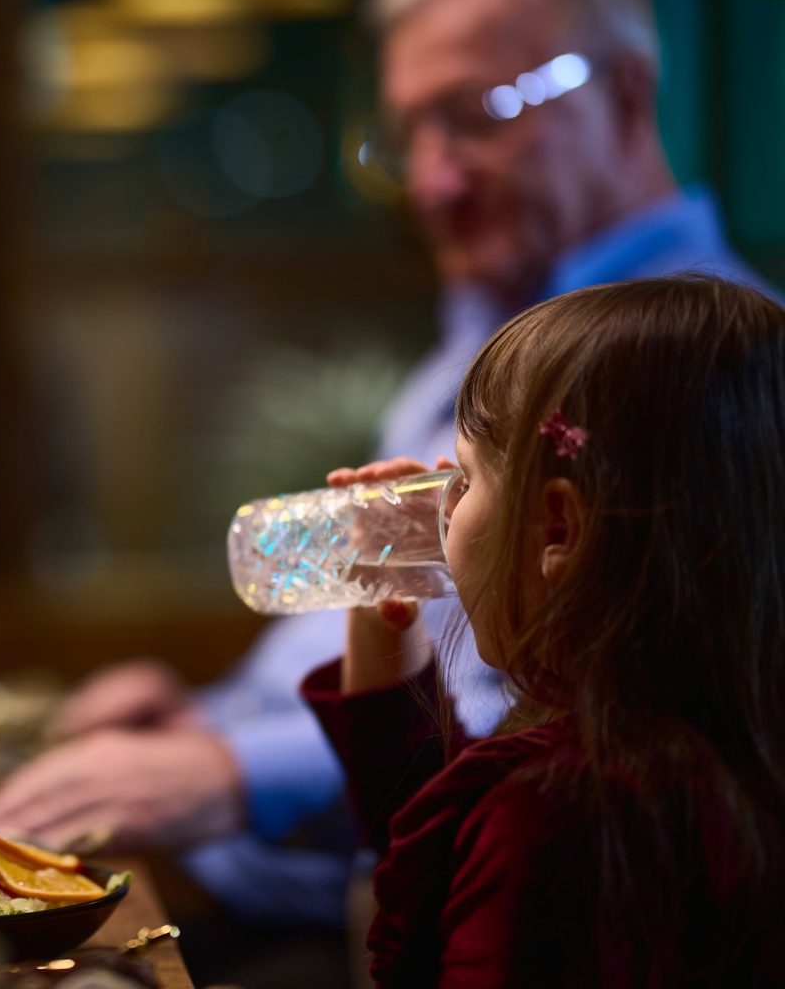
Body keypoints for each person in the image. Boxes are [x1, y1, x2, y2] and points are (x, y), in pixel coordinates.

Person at [0, 0, 775, 935]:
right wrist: (206, 716)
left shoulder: (715, 382)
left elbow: (539, 737)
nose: (430, 179)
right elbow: (396, 647)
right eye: (409, 134)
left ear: (628, 94)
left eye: (479, 113)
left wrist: (227, 770)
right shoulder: (465, 352)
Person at [305, 274, 785, 985]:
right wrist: (385, 621)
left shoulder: (558, 818)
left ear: (559, 526)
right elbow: (439, 841)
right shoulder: (720, 754)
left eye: (463, 482)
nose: (440, 511)